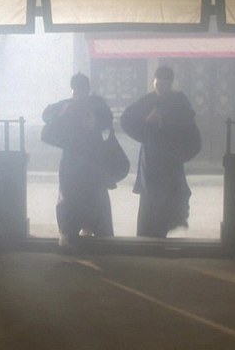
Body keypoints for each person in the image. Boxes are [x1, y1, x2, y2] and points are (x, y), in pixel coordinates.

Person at [120, 66, 201, 238]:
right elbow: (126, 120)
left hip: (170, 161)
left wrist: (178, 153)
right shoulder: (147, 101)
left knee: (168, 202)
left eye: (165, 85)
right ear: (154, 83)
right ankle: (146, 239)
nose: (161, 89)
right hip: (150, 159)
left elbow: (192, 135)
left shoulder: (179, 103)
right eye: (158, 85)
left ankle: (161, 236)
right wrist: (146, 125)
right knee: (149, 202)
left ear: (170, 84)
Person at [42, 73, 114, 248]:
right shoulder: (67, 105)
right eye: (76, 91)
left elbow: (107, 120)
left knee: (92, 197)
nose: (79, 95)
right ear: (73, 90)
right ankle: (69, 233)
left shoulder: (97, 106)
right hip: (76, 160)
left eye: (81, 91)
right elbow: (46, 114)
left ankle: (88, 233)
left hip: (88, 160)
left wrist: (93, 121)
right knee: (72, 197)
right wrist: (63, 113)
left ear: (87, 90)